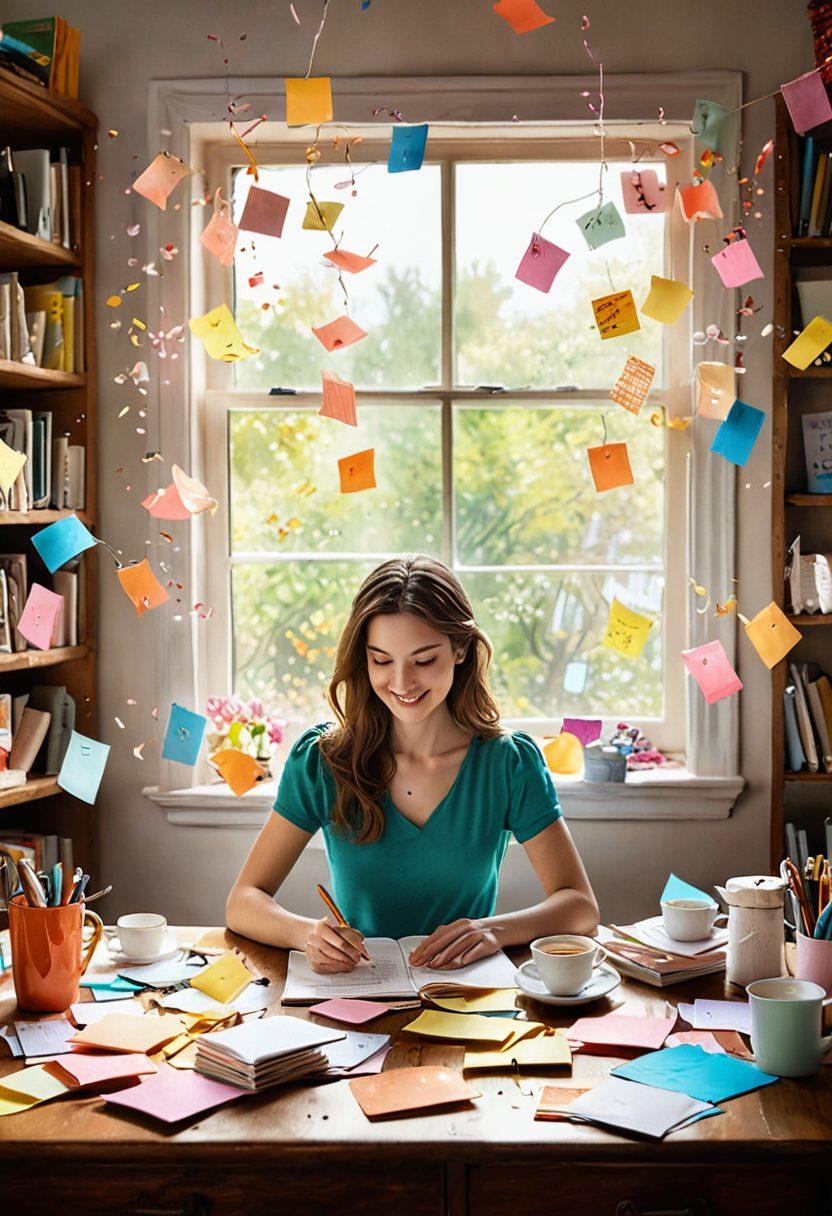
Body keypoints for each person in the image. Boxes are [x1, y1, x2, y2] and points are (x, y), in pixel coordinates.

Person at [226, 554, 599, 973]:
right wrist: (307, 934)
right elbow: (243, 902)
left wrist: (494, 930)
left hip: (464, 996)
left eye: (423, 661)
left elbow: (580, 907)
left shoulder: (509, 763)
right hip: (357, 994)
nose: (402, 683)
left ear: (460, 650)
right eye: (381, 660)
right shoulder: (322, 761)